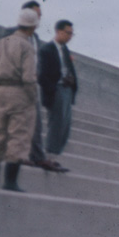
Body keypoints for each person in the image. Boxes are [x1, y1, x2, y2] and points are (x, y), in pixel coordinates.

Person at [5, 1, 67, 173]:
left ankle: (38, 157)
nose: (39, 18)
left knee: (36, 122)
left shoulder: (36, 39)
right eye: (36, 14)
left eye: (40, 15)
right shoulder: (10, 33)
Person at [0, 7, 41, 192]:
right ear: (33, 27)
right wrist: (33, 98)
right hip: (20, 92)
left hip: (1, 90)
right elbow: (28, 78)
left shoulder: (0, 43)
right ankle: (10, 181)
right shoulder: (27, 47)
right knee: (18, 136)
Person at [39, 19, 78, 158]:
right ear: (59, 31)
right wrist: (53, 90)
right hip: (56, 90)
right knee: (56, 125)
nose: (70, 37)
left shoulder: (65, 50)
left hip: (67, 90)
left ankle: (54, 156)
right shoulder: (46, 49)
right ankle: (49, 155)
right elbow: (41, 74)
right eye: (68, 33)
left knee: (64, 127)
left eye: (72, 34)